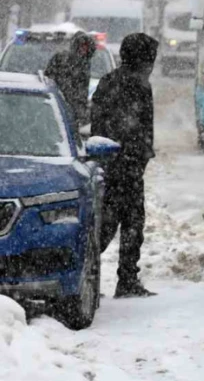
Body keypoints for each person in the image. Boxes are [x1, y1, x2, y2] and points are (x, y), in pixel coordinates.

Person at [91, 32, 159, 298]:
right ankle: (126, 278)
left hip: (107, 163)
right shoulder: (138, 85)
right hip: (127, 165)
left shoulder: (107, 81)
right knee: (130, 221)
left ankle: (88, 270)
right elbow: (141, 127)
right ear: (143, 60)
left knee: (107, 222)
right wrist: (140, 155)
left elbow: (98, 121)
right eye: (150, 60)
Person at [44, 32, 97, 127]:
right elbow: (49, 79)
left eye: (86, 48)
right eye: (81, 47)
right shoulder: (61, 59)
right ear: (75, 47)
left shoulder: (85, 65)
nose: (83, 51)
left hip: (68, 111)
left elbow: (82, 93)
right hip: (55, 106)